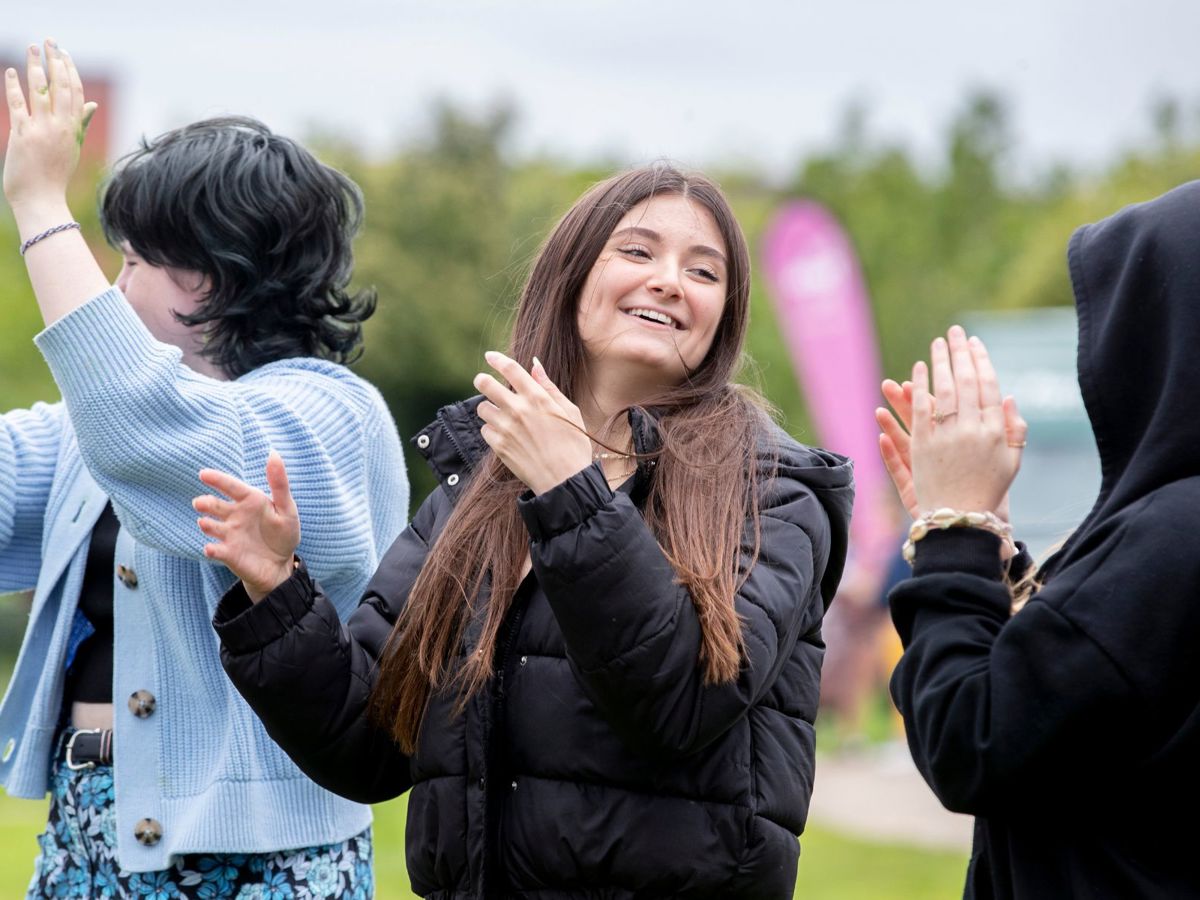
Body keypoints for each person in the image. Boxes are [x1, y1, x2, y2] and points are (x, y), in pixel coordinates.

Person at [199, 163, 854, 898]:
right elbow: (368, 746)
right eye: (637, 252)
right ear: (572, 275)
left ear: (723, 316)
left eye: (704, 271)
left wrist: (570, 490)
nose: (670, 280)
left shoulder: (775, 492)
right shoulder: (479, 486)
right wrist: (278, 592)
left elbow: (679, 706)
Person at [0, 40, 408, 896]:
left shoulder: (329, 414)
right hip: (83, 832)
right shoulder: (97, 428)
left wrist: (41, 204)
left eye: (137, 260)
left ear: (218, 277)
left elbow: (163, 435)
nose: (114, 286)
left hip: (264, 860)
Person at [875, 181, 1200, 898]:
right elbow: (1089, 701)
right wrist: (986, 551)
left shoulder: (1176, 537)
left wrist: (955, 528)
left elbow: (970, 737)